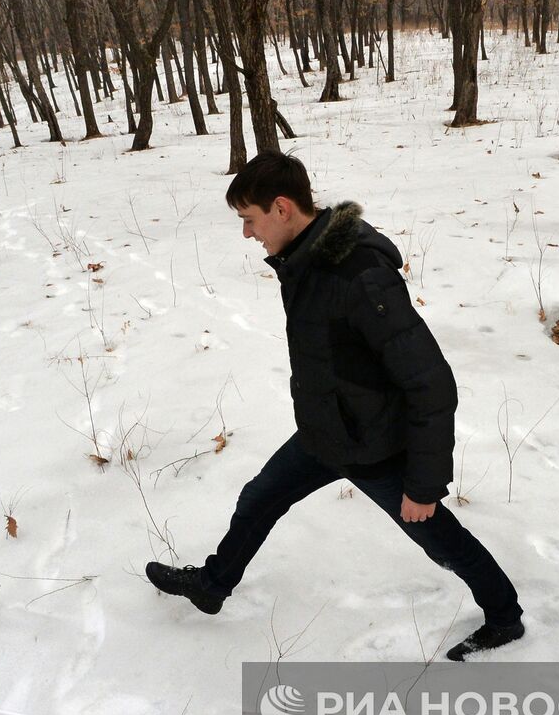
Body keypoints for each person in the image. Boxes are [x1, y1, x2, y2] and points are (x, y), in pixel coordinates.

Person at [144, 152, 525, 660]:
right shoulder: (305, 262)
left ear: (282, 208)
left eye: (248, 220)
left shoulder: (360, 276)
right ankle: (213, 587)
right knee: (260, 498)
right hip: (328, 433)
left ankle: (505, 617)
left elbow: (430, 382)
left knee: (439, 538)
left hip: (375, 447)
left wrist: (424, 484)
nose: (246, 234)